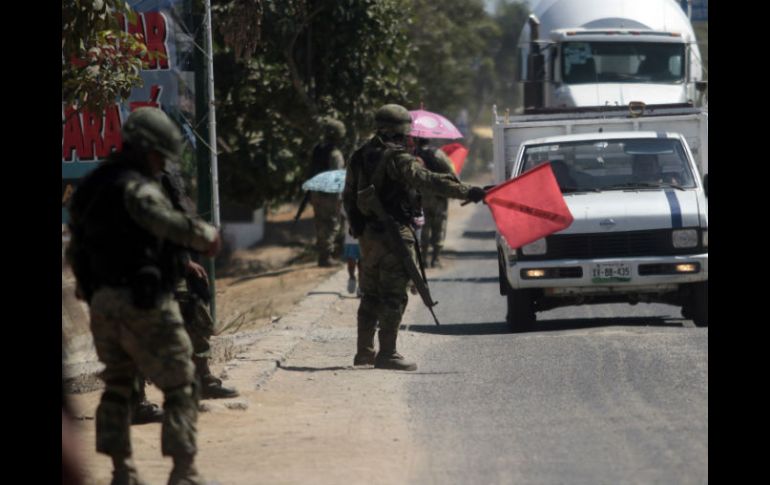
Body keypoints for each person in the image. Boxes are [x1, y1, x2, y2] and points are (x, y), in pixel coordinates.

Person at [66, 107, 219, 485]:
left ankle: (123, 472)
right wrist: (206, 236)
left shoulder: (90, 187)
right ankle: (184, 473)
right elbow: (171, 226)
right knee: (182, 384)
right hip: (145, 300)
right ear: (147, 150)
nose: (161, 163)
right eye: (160, 156)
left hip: (103, 304)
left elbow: (75, 250)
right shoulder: (136, 188)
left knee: (117, 386)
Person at [342, 104, 486, 371]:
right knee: (394, 295)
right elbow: (427, 180)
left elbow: (348, 194)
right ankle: (388, 354)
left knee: (370, 293)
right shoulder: (398, 158)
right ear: (401, 131)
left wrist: (357, 226)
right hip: (395, 233)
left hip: (368, 236)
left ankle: (364, 352)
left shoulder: (359, 155)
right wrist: (469, 192)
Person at [131, 167, 240, 424]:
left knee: (193, 316)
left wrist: (185, 260)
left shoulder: (163, 174)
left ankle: (202, 379)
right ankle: (135, 403)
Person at [411, 136, 457, 268]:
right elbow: (451, 171)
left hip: (420, 196)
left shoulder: (413, 154)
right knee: (439, 226)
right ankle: (435, 259)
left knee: (423, 226)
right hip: (438, 196)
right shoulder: (437, 154)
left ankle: (423, 259)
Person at [308, 117, 346, 266]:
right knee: (332, 223)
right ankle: (327, 257)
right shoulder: (335, 154)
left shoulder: (318, 149)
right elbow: (336, 176)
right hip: (329, 194)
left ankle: (324, 255)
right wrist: (339, 196)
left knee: (320, 223)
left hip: (315, 191)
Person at [340, 207, 362, 296]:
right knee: (351, 261)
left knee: (363, 263)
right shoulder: (348, 196)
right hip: (351, 238)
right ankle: (352, 278)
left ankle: (361, 286)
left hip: (364, 237)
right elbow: (342, 211)